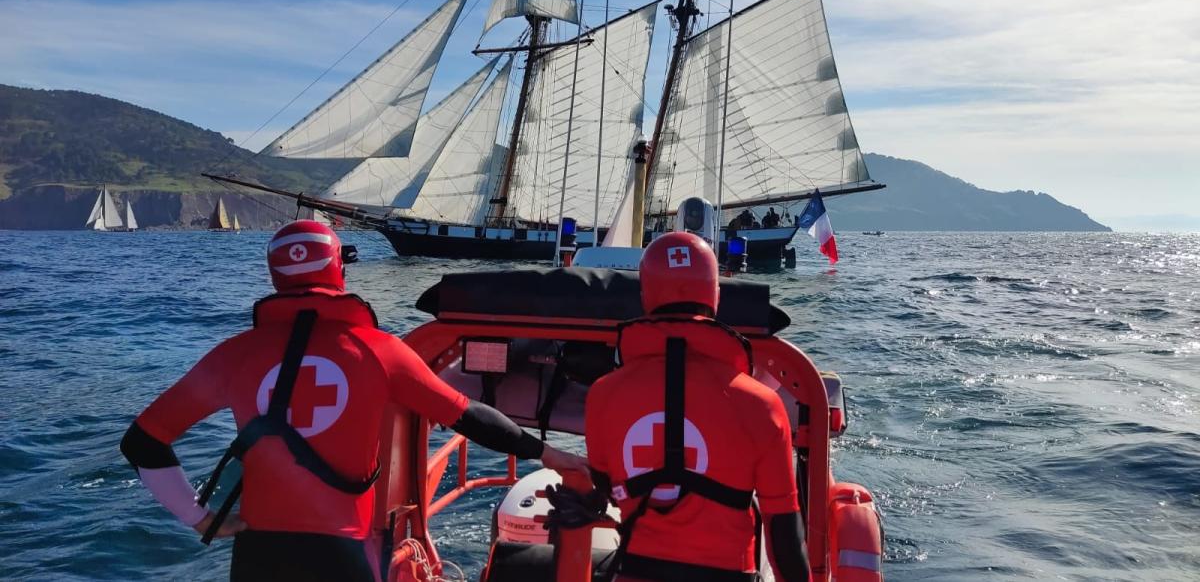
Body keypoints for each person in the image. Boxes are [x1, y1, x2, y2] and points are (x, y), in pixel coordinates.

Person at [120, 220, 586, 581]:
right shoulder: (379, 351)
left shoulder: (233, 355)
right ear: (337, 268)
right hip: (343, 551)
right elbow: (470, 417)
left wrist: (199, 518)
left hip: (258, 553)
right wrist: (552, 453)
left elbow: (142, 442)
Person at [584, 232, 809, 582]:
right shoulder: (763, 406)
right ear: (715, 296)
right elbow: (783, 531)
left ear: (646, 297)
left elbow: (604, 482)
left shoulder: (601, 394)